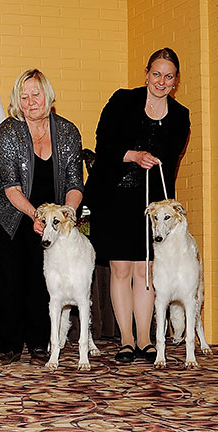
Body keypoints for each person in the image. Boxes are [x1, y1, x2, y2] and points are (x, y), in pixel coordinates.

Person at [84, 48, 190, 364]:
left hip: (152, 204)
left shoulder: (180, 115)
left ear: (175, 81)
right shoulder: (122, 100)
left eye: (168, 76)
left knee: (145, 270)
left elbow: (170, 162)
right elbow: (103, 143)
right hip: (116, 196)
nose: (161, 81)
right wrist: (132, 155)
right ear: (146, 73)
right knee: (121, 268)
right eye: (156, 74)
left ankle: (145, 339)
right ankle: (126, 339)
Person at [0, 69, 84, 367]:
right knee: (9, 271)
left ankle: (40, 343)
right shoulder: (8, 130)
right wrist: (35, 215)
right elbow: (11, 188)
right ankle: (9, 345)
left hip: (51, 209)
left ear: (48, 96)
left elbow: (75, 183)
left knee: (42, 272)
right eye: (23, 97)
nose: (30, 102)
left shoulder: (67, 131)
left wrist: (68, 214)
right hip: (7, 206)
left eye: (35, 95)